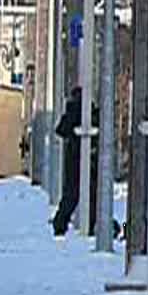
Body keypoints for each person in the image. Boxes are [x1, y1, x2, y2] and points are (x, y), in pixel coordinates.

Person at [52, 86, 98, 236]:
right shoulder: (90, 111)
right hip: (88, 158)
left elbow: (60, 130)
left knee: (71, 193)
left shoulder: (72, 111)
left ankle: (60, 224)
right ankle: (90, 224)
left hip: (73, 158)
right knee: (90, 193)